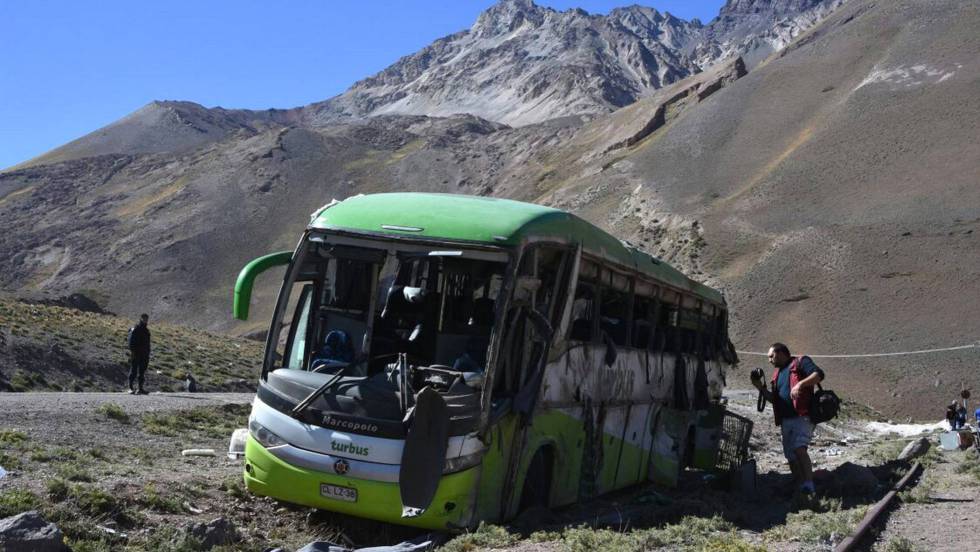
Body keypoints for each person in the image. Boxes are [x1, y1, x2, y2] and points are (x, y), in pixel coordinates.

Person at [750, 342, 825, 495]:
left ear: (781, 352)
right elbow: (775, 400)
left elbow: (819, 374)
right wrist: (760, 387)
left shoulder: (800, 362)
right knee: (790, 454)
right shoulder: (777, 375)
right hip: (786, 419)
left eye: (771, 356)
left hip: (802, 416)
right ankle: (798, 484)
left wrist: (800, 385)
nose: (770, 360)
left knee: (799, 448)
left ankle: (809, 485)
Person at [127, 313, 151, 394]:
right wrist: (133, 352)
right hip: (136, 353)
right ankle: (130, 387)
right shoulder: (136, 329)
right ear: (140, 319)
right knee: (133, 370)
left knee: (142, 372)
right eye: (144, 318)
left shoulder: (146, 331)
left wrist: (148, 353)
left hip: (144, 354)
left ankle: (140, 388)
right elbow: (130, 342)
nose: (145, 320)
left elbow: (147, 344)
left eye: (146, 319)